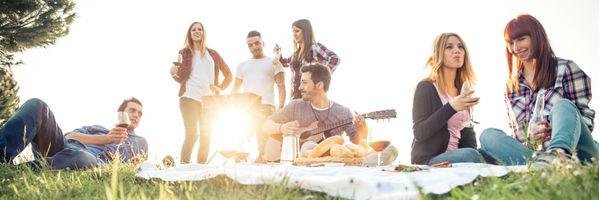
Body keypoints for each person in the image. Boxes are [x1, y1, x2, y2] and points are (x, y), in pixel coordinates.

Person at [479, 14, 598, 168]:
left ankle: (558, 155)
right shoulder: (511, 88)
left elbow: (586, 120)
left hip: (578, 153)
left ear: (536, 37)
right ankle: (543, 162)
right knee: (487, 135)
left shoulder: (565, 68)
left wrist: (556, 129)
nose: (515, 48)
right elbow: (518, 136)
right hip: (534, 155)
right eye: (511, 43)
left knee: (563, 105)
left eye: (521, 39)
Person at [263, 63, 397, 165]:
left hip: (333, 162)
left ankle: (365, 167)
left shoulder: (342, 112)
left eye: (304, 83)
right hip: (303, 160)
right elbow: (266, 124)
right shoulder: (295, 106)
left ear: (319, 85)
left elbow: (359, 149)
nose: (299, 87)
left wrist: (364, 133)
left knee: (391, 150)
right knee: (308, 146)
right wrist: (281, 128)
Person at [0, 98, 147, 169]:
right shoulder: (97, 128)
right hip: (63, 146)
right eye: (132, 110)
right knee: (36, 105)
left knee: (82, 157)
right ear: (121, 113)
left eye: (140, 113)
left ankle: (14, 171)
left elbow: (139, 164)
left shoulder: (139, 141)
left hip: (90, 160)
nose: (136, 115)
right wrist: (106, 138)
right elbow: (69, 137)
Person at [411, 33, 484, 165]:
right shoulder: (425, 87)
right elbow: (419, 132)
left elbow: (467, 134)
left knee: (490, 146)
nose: (457, 50)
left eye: (460, 47)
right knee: (471, 155)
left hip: (460, 156)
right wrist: (451, 107)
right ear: (438, 53)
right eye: (449, 47)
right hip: (432, 159)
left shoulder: (461, 90)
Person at [170, 22, 233, 164]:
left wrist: (220, 87)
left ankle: (201, 170)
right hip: (189, 98)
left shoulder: (213, 54)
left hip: (209, 101)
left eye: (200, 29)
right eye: (194, 29)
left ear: (204, 33)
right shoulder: (184, 53)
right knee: (191, 135)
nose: (197, 32)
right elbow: (180, 77)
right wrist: (174, 74)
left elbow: (228, 75)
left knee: (206, 137)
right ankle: (183, 169)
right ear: (190, 34)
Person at [231, 30, 286, 162]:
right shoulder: (242, 66)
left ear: (263, 43)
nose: (254, 47)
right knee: (239, 144)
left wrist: (281, 106)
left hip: (267, 108)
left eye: (257, 43)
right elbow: (235, 89)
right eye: (250, 45)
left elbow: (281, 86)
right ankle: (239, 175)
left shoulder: (274, 63)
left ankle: (266, 176)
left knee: (264, 145)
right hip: (246, 109)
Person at [274, 19, 340, 100]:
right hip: (295, 96)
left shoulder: (315, 47)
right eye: (293, 32)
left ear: (305, 32)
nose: (294, 35)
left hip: (311, 95)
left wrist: (322, 76)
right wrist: (278, 53)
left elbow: (335, 59)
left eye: (297, 31)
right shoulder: (296, 54)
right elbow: (284, 63)